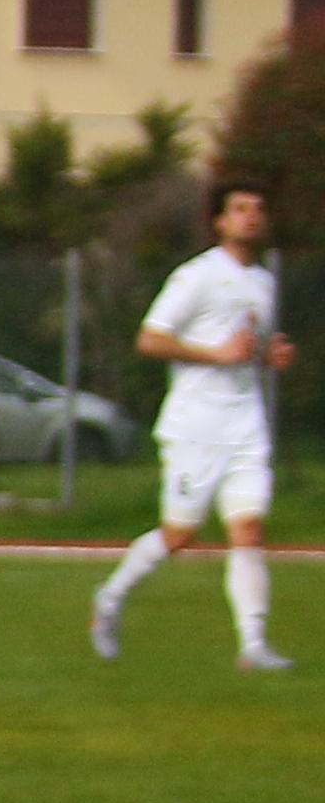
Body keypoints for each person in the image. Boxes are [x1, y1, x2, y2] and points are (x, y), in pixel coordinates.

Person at [93, 181, 292, 672]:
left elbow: (248, 348)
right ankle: (111, 599)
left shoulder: (263, 282)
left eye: (258, 209)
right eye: (240, 209)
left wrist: (269, 357)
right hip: (196, 426)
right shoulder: (197, 276)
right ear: (220, 222)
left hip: (245, 423)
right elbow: (150, 339)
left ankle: (254, 646)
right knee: (180, 535)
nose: (251, 217)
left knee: (249, 529)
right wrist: (216, 356)